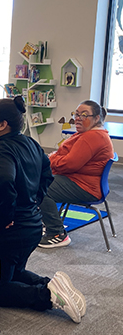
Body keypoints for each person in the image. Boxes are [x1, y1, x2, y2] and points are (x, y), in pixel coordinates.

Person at [0, 96, 86, 323]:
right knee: (12, 272)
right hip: (30, 226)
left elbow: (1, 180)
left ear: (3, 125)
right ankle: (51, 284)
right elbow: (46, 175)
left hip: (13, 230)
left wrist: (4, 217)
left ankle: (47, 296)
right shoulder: (28, 143)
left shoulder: (1, 150)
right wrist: (32, 203)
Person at [38, 100, 114, 248]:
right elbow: (64, 157)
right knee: (39, 181)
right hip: (82, 181)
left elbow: (69, 164)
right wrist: (55, 158)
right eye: (76, 114)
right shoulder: (89, 133)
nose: (77, 118)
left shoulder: (92, 137)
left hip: (85, 187)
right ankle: (47, 223)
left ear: (96, 118)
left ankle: (57, 233)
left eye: (84, 115)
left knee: (39, 187)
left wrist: (50, 160)